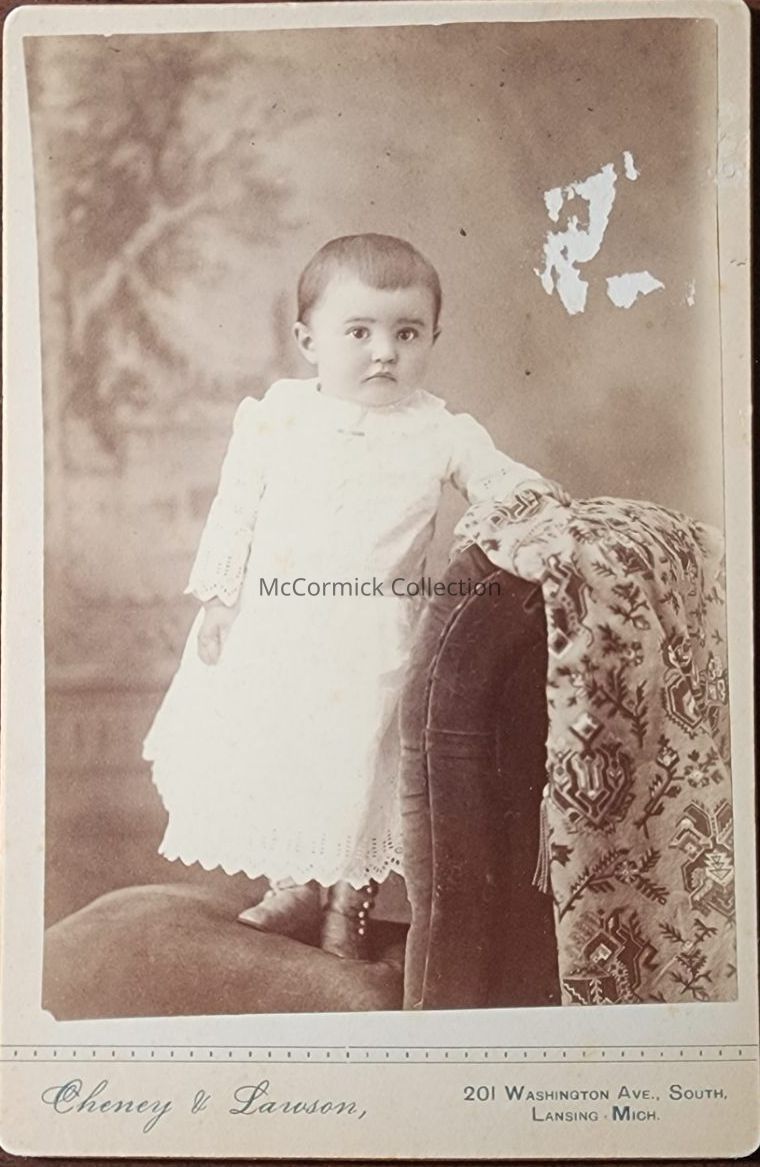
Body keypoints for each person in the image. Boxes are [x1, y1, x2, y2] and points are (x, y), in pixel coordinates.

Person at [143, 233, 567, 961]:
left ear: (433, 338)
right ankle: (292, 883)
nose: (384, 353)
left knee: (359, 767)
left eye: (408, 334)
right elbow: (235, 508)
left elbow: (505, 483)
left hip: (375, 637)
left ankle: (350, 904)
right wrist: (219, 598)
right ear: (309, 341)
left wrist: (537, 510)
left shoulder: (440, 431)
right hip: (277, 628)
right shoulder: (277, 415)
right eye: (360, 332)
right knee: (282, 751)